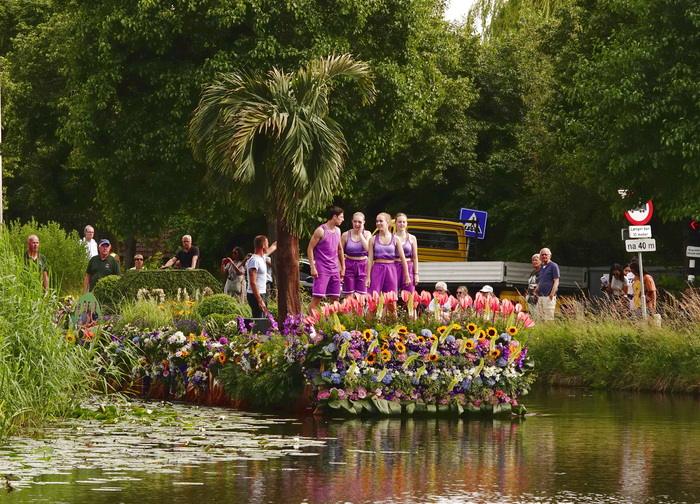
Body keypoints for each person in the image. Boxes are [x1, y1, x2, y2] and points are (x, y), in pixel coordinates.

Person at [366, 212, 409, 314]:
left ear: (387, 222)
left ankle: (392, 322)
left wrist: (407, 275)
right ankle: (370, 322)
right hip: (377, 269)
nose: (378, 223)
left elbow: (403, 258)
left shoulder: (395, 239)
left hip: (391, 269)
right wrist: (368, 277)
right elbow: (370, 259)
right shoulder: (373, 239)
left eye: (381, 221)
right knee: (374, 299)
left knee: (391, 301)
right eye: (377, 221)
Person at [308, 206, 346, 312]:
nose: (343, 219)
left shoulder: (338, 231)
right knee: (318, 297)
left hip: (334, 269)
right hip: (322, 269)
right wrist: (312, 267)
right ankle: (311, 320)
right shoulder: (320, 231)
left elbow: (340, 250)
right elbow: (310, 248)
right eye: (341, 217)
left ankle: (332, 321)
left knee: (335, 298)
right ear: (334, 217)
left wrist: (343, 267)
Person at [341, 212, 372, 296]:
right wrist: (341, 268)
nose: (357, 224)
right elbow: (340, 252)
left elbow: (368, 248)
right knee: (349, 295)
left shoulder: (367, 234)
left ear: (364, 222)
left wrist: (360, 234)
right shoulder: (345, 235)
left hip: (363, 265)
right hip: (349, 265)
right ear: (352, 221)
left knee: (361, 295)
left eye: (359, 222)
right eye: (355, 221)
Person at [394, 213, 419, 294]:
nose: (402, 224)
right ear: (395, 223)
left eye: (404, 222)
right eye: (399, 222)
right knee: (392, 293)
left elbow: (415, 257)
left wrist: (416, 274)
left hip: (408, 267)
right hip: (394, 266)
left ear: (407, 223)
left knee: (409, 293)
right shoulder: (391, 238)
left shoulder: (412, 238)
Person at [246, 235, 269, 318]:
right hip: (255, 294)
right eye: (267, 244)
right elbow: (252, 282)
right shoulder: (254, 261)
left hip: (262, 293)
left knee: (262, 318)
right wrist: (259, 300)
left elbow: (273, 247)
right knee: (259, 320)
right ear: (263, 246)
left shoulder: (262, 258)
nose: (268, 246)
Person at [534, 247, 559, 321]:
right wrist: (535, 291)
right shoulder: (541, 267)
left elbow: (556, 281)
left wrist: (551, 294)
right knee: (538, 317)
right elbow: (541, 281)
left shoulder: (553, 266)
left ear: (550, 255)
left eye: (546, 254)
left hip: (548, 296)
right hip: (540, 296)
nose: (544, 256)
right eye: (542, 255)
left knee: (548, 319)